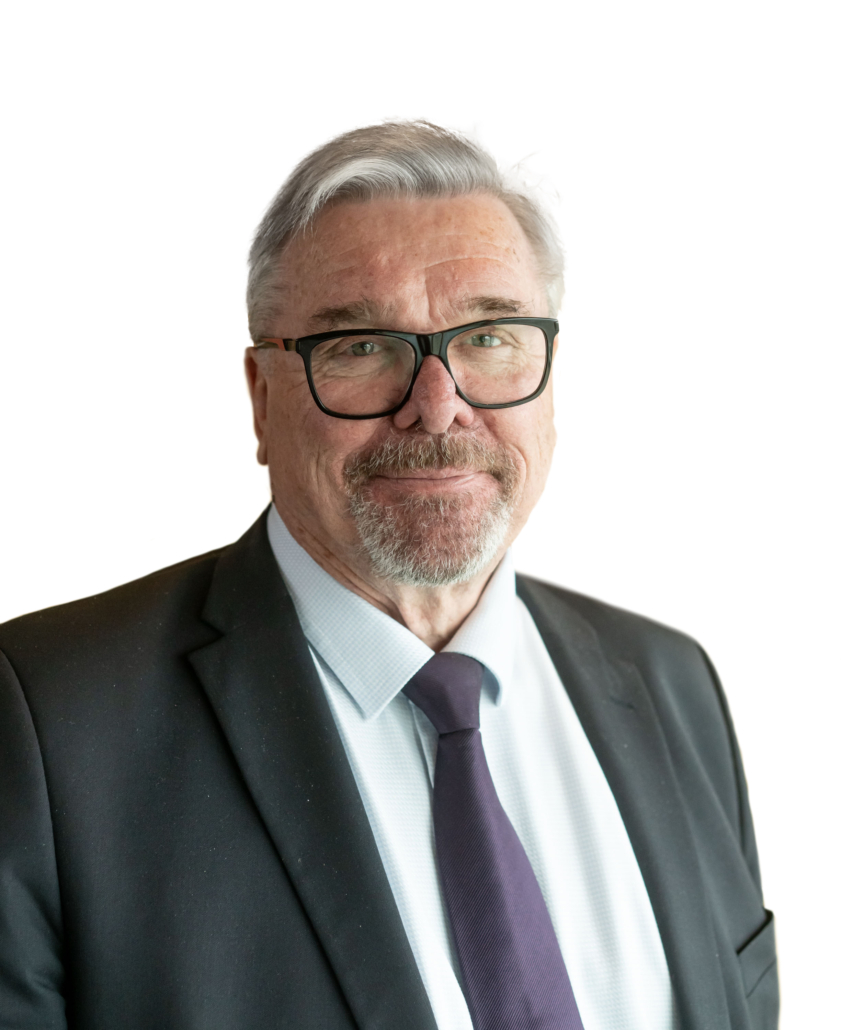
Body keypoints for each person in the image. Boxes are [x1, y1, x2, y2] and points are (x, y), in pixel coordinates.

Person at [0, 121, 778, 1030]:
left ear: (549, 373)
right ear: (261, 397)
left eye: (489, 336)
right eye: (363, 347)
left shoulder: (671, 683)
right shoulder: (47, 721)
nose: (436, 407)